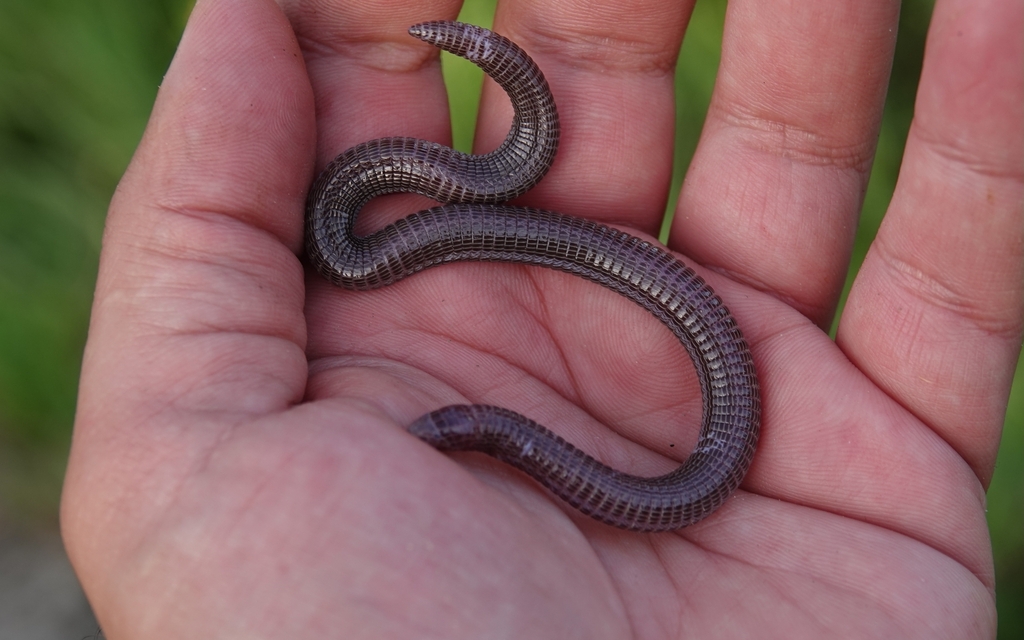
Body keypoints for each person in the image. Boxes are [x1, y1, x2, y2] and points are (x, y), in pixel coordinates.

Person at [61, 0, 1022, 636]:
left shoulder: (366, 241)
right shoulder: (354, 245)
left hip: (692, 425)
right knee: (384, 246)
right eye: (461, 430)